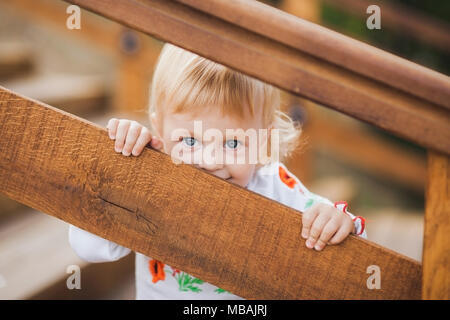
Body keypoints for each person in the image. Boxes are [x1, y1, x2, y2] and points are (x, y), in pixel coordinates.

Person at [68, 43, 366, 299]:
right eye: (189, 139)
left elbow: (348, 249)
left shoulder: (274, 184)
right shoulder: (151, 179)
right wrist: (120, 168)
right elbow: (88, 247)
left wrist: (337, 221)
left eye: (233, 142)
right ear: (158, 128)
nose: (210, 160)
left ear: (263, 140)